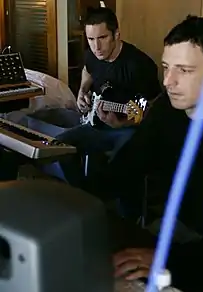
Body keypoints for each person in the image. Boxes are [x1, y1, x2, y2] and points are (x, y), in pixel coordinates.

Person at [84, 15, 203, 291]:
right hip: (178, 233)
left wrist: (168, 260)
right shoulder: (165, 112)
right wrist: (71, 205)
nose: (168, 81)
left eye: (183, 70)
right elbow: (124, 169)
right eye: (166, 67)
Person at [0, 6, 161, 184]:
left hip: (130, 129)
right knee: (59, 146)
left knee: (122, 161)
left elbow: (153, 110)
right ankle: (82, 192)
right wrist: (82, 90)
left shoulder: (139, 65)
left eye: (102, 38)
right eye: (90, 39)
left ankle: (125, 208)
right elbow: (88, 70)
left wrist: (121, 123)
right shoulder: (92, 55)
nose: (96, 46)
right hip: (97, 122)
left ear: (116, 35)